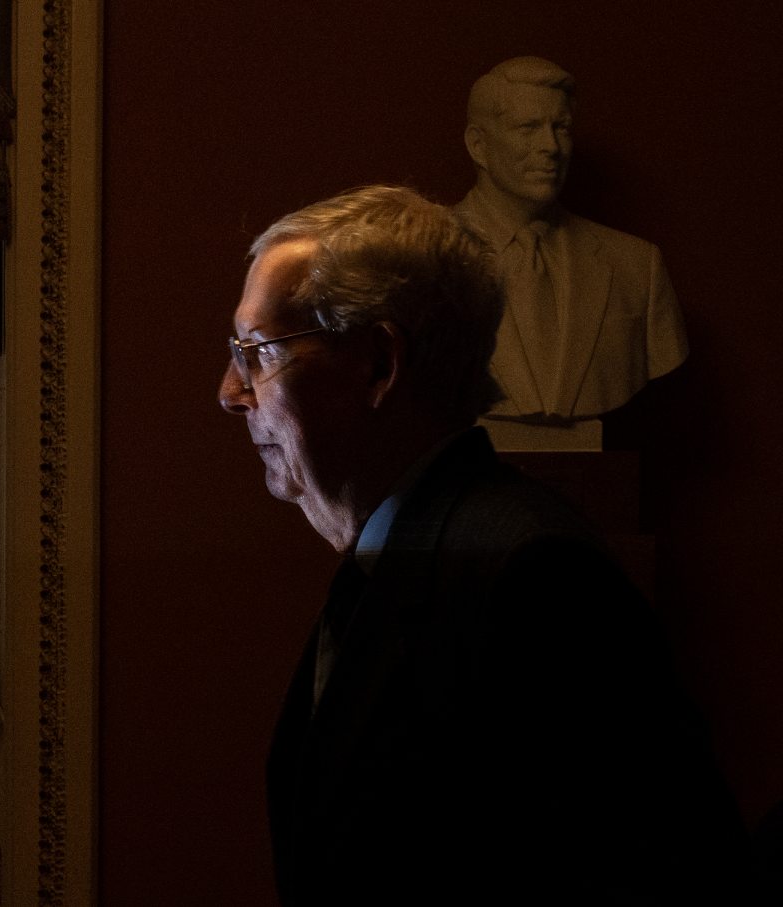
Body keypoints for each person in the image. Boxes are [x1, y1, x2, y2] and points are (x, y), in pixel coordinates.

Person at [218, 186, 749, 903]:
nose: (230, 392)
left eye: (257, 353)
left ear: (379, 364)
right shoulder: (397, 559)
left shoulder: (536, 578)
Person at [457, 56, 688, 425]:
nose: (550, 146)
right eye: (528, 127)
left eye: (561, 128)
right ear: (478, 145)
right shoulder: (419, 263)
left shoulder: (636, 266)